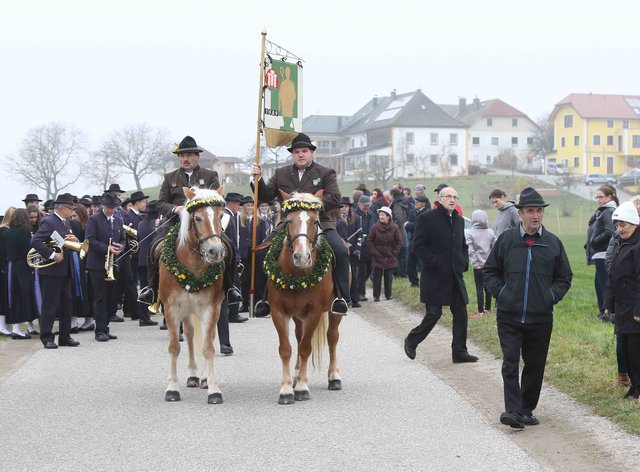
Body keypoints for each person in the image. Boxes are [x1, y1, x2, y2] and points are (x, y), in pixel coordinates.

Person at [484, 187, 573, 429]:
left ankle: (526, 409)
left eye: (539, 211)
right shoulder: (507, 240)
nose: (535, 216)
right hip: (509, 316)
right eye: (530, 211)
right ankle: (512, 411)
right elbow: (490, 271)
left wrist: (549, 296)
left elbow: (564, 277)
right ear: (520, 213)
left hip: (540, 317)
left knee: (535, 364)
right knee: (510, 362)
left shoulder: (553, 243)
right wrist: (502, 294)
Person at [250, 132, 350, 316]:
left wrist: (310, 205)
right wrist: (257, 179)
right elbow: (264, 196)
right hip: (288, 225)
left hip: (320, 223)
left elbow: (335, 198)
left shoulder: (325, 173)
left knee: (341, 251)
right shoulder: (281, 173)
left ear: (311, 153)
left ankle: (341, 298)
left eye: (304, 151)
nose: (300, 155)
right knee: (261, 251)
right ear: (292, 154)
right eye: (296, 152)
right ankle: (262, 300)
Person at [138, 135, 242, 307]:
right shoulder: (169, 177)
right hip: (175, 223)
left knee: (228, 245)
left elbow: (217, 199)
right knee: (155, 247)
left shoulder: (210, 175)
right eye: (182, 156)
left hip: (204, 223)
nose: (185, 159)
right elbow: (161, 203)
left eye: (189, 155)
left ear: (197, 156)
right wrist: (176, 209)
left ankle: (231, 288)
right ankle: (151, 289)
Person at [404, 186, 477, 364]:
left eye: (455, 197)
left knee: (461, 313)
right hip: (434, 277)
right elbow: (418, 245)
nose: (452, 199)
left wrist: (462, 263)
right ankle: (411, 340)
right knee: (434, 314)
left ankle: (459, 352)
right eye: (449, 196)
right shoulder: (427, 218)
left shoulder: (459, 221)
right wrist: (433, 262)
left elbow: (463, 247)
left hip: (454, 276)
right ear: (440, 199)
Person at [30, 194, 81, 349]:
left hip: (65, 270)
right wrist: (52, 255)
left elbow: (61, 241)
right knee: (50, 306)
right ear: (63, 208)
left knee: (67, 305)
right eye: (71, 208)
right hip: (52, 271)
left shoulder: (65, 222)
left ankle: (65, 337)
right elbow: (35, 241)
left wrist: (74, 240)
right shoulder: (49, 221)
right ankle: (47, 337)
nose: (73, 211)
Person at [604, 201, 640, 401]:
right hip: (622, 307)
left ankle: (638, 387)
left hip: (635, 308)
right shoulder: (621, 245)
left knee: (635, 350)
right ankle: (634, 386)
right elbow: (612, 276)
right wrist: (608, 303)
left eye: (623, 224)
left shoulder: (638, 246)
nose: (619, 229)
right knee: (626, 348)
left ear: (634, 223)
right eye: (617, 225)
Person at [85, 192, 125, 342]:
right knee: (100, 298)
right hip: (97, 264)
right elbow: (90, 240)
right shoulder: (94, 219)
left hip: (113, 264)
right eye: (108, 207)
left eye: (113, 208)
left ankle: (106, 327)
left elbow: (122, 239)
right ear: (103, 206)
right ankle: (99, 330)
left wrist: (120, 246)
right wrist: (107, 248)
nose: (111, 210)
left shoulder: (118, 220)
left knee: (111, 298)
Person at [3, 209, 38, 339]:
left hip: (10, 266)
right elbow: (27, 253)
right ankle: (19, 329)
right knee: (23, 296)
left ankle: (16, 328)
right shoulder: (24, 232)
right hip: (22, 267)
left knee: (14, 296)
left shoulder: (6, 232)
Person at [586, 185, 617, 322]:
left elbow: (610, 232)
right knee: (599, 283)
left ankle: (609, 313)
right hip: (598, 253)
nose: (598, 199)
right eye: (597, 197)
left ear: (609, 197)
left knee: (605, 284)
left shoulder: (609, 211)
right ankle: (603, 311)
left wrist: (594, 241)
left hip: (604, 253)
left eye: (601, 196)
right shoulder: (602, 211)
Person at [366, 206, 402, 302]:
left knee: (388, 277)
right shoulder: (375, 227)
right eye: (380, 215)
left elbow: (399, 241)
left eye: (383, 215)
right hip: (378, 255)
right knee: (377, 277)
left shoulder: (395, 227)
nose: (381, 217)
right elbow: (369, 241)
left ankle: (388, 295)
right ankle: (376, 296)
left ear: (388, 217)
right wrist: (374, 252)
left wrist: (394, 252)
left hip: (390, 256)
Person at [466, 209, 496, 317]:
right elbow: (494, 249)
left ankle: (480, 311)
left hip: (478, 266)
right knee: (488, 288)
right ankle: (488, 309)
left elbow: (471, 250)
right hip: (489, 266)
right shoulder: (490, 232)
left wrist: (476, 264)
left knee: (479, 288)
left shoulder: (470, 234)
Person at [336, 196, 362, 307]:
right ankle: (342, 298)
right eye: (341, 206)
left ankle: (354, 300)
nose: (344, 208)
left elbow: (360, 235)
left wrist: (357, 248)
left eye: (346, 206)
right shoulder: (335, 219)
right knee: (342, 275)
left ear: (350, 207)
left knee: (354, 276)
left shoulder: (356, 218)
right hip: (341, 252)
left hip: (352, 252)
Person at [353, 195, 377, 302]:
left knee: (370, 269)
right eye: (365, 205)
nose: (367, 207)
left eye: (369, 205)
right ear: (359, 204)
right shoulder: (354, 215)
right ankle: (360, 293)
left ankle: (358, 288)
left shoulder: (372, 215)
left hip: (370, 246)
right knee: (362, 270)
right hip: (359, 246)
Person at [405, 194, 430, 287]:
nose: (415, 203)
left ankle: (425, 281)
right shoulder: (412, 212)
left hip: (422, 242)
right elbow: (412, 226)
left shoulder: (427, 213)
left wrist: (408, 225)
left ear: (423, 203)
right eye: (415, 201)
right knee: (410, 263)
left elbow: (419, 227)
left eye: (418, 201)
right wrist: (410, 226)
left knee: (423, 263)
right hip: (412, 240)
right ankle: (413, 282)